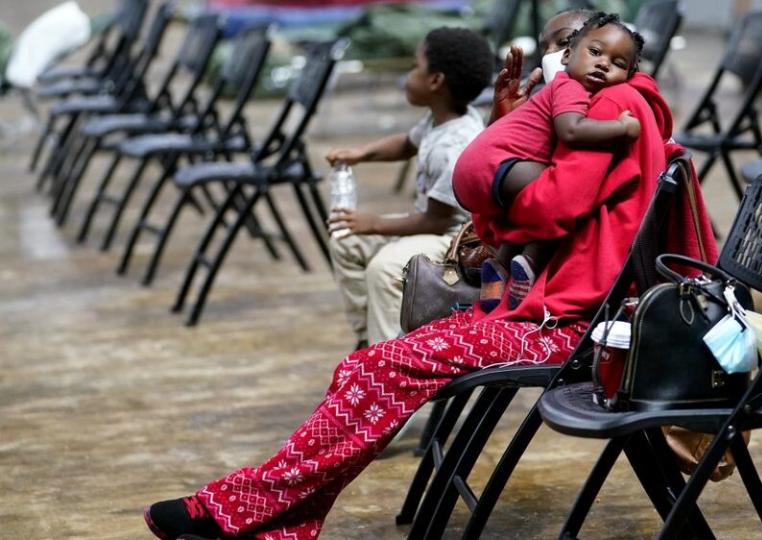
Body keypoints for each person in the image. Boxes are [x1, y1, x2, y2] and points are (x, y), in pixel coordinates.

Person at [143, 11, 715, 540]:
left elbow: (552, 207)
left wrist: (500, 169)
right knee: (366, 367)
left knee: (379, 368)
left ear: (619, 62)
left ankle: (235, 508)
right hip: (545, 306)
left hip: (571, 325)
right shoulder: (588, 109)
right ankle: (270, 519)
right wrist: (510, 128)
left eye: (564, 46)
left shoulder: (615, 112)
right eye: (559, 49)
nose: (552, 60)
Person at [453, 12, 645, 312]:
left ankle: (498, 272)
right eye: (595, 52)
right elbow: (572, 131)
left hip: (476, 172)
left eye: (618, 63)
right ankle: (530, 261)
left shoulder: (561, 91)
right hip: (496, 166)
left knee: (537, 203)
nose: (604, 63)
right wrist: (623, 128)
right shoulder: (569, 88)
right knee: (564, 196)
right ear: (569, 56)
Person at [323, 27, 491, 349]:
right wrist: (361, 154)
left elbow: (435, 221)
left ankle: (387, 356)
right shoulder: (441, 118)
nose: (408, 75)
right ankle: (367, 339)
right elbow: (405, 144)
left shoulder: (456, 145)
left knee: (383, 268)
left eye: (416, 67)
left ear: (435, 81)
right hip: (428, 223)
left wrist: (373, 224)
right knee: (347, 239)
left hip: (452, 241)